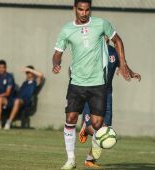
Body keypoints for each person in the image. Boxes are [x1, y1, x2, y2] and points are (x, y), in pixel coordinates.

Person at [52, 0, 140, 169]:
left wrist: (123, 64)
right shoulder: (66, 30)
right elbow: (57, 53)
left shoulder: (101, 24)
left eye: (87, 10)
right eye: (80, 10)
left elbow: (118, 41)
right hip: (77, 82)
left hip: (98, 84)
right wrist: (56, 63)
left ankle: (92, 154)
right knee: (70, 118)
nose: (84, 13)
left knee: (99, 125)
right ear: (74, 9)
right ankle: (70, 160)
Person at [78, 37, 140, 166]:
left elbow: (123, 66)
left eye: (106, 34)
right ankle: (85, 127)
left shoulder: (114, 52)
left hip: (107, 95)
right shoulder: (90, 50)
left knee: (105, 129)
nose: (104, 36)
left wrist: (131, 73)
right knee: (96, 129)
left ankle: (90, 160)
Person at [0, 65, 44, 130]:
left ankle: (8, 122)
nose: (28, 74)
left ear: (32, 73)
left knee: (17, 101)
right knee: (0, 99)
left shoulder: (35, 82)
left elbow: (41, 75)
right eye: (27, 72)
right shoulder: (24, 83)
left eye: (29, 72)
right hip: (16, 100)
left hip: (25, 102)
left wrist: (29, 69)